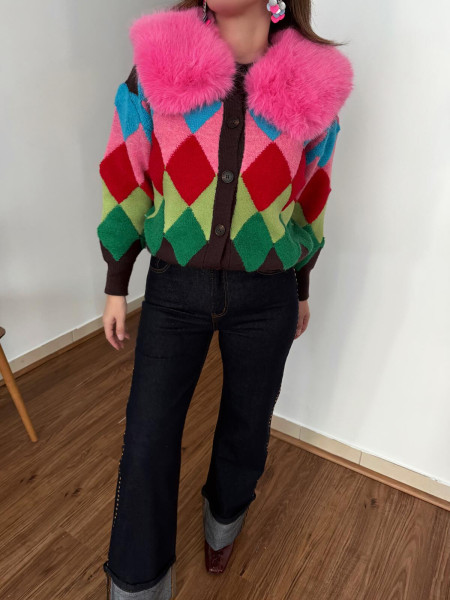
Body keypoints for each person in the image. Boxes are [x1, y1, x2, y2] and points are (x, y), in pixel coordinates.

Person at [97, 0, 353, 598]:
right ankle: (137, 584)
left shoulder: (313, 83)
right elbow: (125, 171)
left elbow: (312, 197)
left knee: (247, 427)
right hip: (174, 290)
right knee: (147, 439)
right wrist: (116, 280)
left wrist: (301, 288)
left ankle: (224, 521)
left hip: (268, 295)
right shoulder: (158, 63)